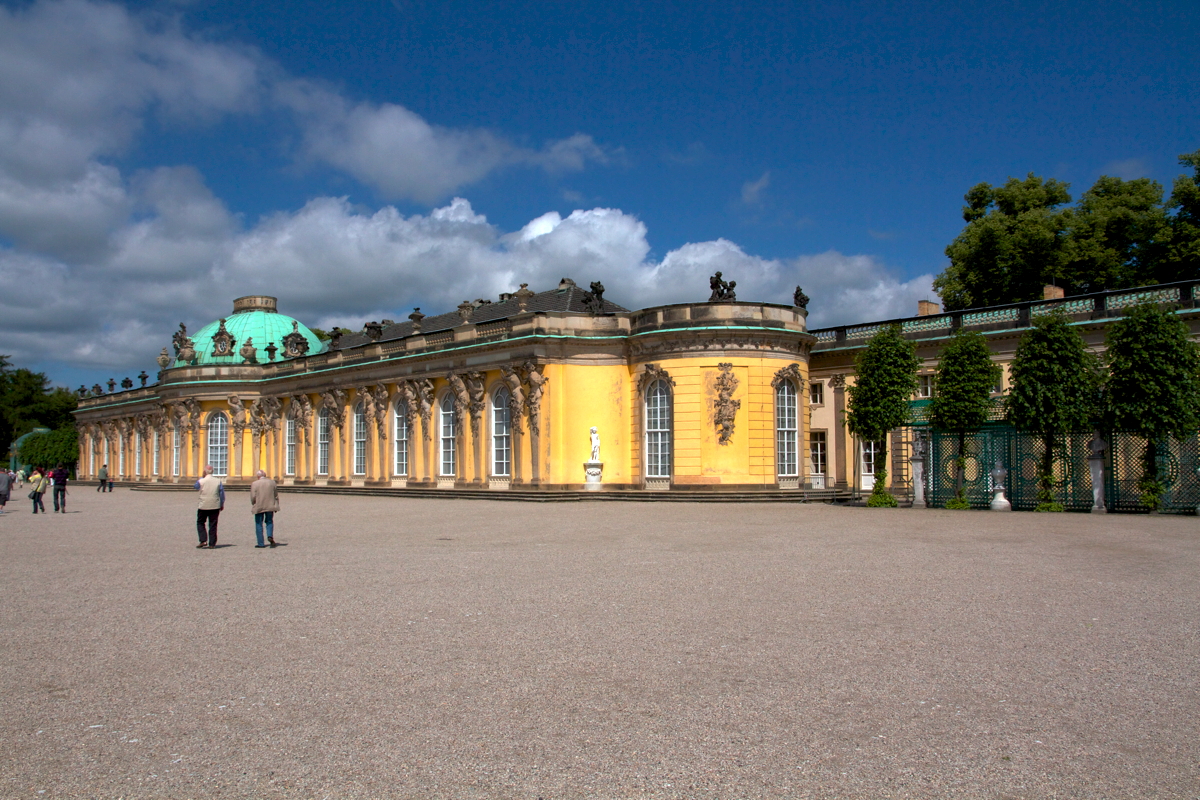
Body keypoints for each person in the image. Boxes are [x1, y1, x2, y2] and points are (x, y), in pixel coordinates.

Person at [193, 465, 225, 548]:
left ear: (205, 472)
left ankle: (203, 540)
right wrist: (221, 504)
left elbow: (195, 487)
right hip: (215, 505)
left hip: (203, 505)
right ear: (213, 471)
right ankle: (212, 543)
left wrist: (201, 478)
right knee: (213, 524)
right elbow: (221, 494)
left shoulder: (201, 481)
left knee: (200, 522)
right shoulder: (218, 481)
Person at [249, 469, 280, 548]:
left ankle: (261, 543)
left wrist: (253, 503)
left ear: (258, 476)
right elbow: (276, 495)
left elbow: (253, 496)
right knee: (269, 521)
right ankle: (270, 536)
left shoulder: (255, 484)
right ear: (265, 475)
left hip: (259, 505)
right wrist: (276, 504)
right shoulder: (272, 483)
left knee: (259, 523)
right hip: (270, 505)